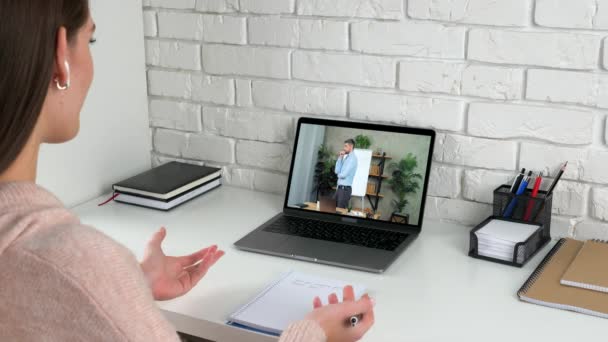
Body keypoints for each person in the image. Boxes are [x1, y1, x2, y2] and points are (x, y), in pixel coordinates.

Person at [0, 1, 375, 341]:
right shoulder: (72, 261)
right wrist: (315, 333)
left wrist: (131, 288)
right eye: (91, 41)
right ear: (61, 56)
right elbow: (66, 281)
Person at [335, 139, 359, 209]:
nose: (344, 148)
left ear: (351, 147)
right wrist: (340, 157)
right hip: (339, 189)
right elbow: (337, 171)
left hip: (345, 190)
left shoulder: (353, 159)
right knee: (331, 209)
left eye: (345, 146)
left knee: (340, 211)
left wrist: (339, 175)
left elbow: (343, 175)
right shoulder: (346, 158)